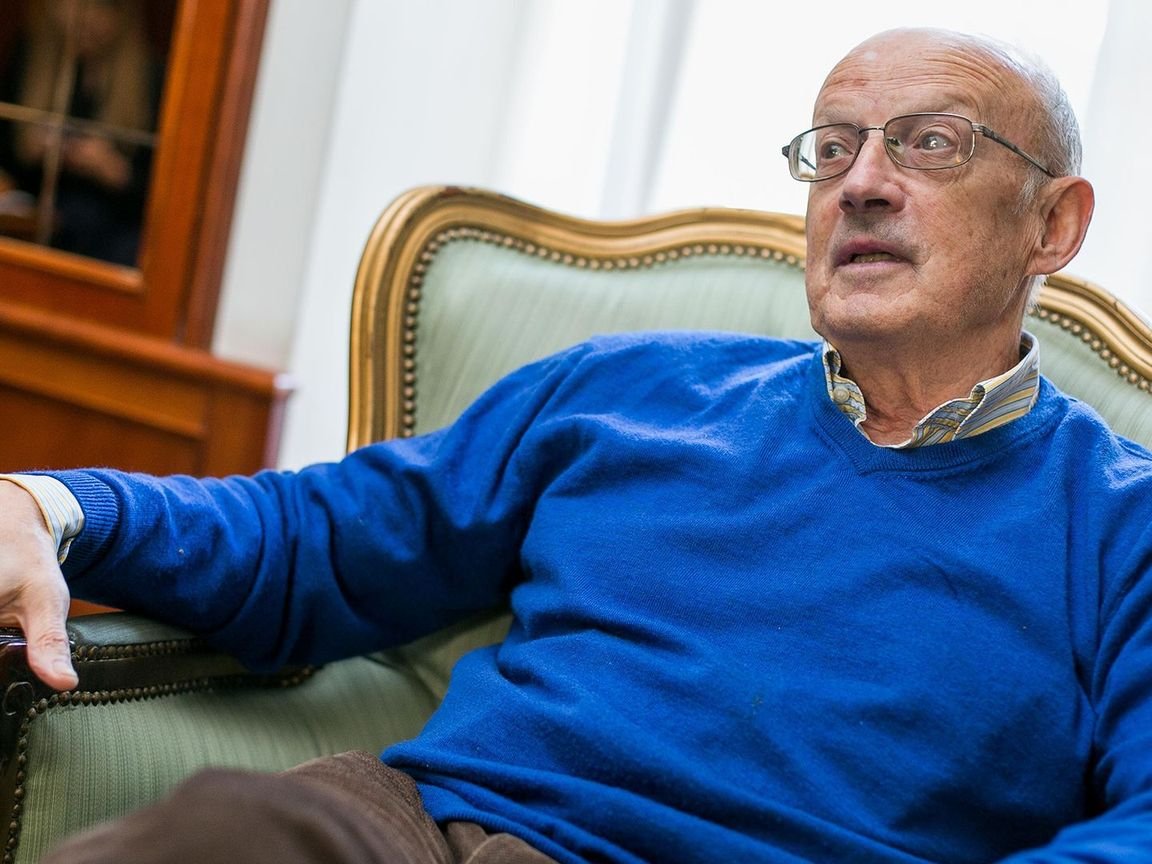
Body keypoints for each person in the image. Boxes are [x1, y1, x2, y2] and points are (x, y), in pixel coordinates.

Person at [0, 25, 1141, 864]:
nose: (862, 186)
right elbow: (318, 540)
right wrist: (53, 509)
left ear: (1055, 224)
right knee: (221, 835)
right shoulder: (628, 392)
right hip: (424, 833)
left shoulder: (1120, 526)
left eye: (931, 144)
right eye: (832, 149)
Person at [0, 0, 162, 264]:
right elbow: (7, 158)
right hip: (38, 211)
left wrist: (116, 171)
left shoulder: (150, 78)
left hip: (110, 227)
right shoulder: (31, 57)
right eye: (71, 4)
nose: (85, 18)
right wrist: (30, 149)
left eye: (100, 7)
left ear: (123, 16)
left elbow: (165, 197)